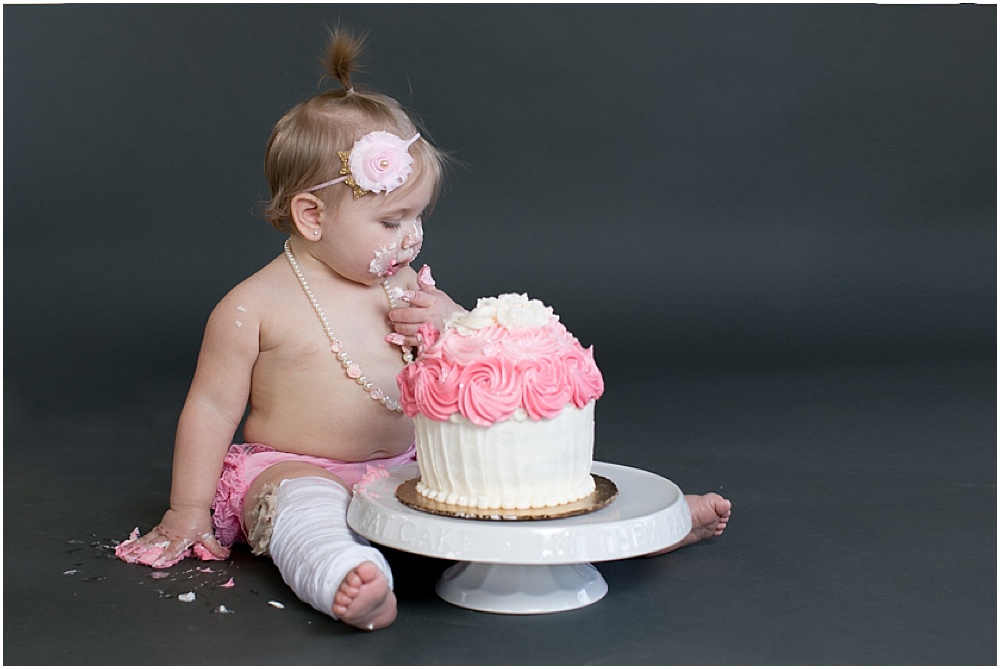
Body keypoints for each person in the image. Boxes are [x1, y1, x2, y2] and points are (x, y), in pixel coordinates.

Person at [117, 30, 731, 631]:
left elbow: (475, 362)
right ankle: (342, 574)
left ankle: (634, 535)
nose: (410, 238)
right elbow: (211, 407)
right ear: (311, 216)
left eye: (417, 218)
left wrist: (449, 323)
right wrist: (187, 510)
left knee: (499, 500)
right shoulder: (253, 305)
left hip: (415, 468)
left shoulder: (405, 284)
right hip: (297, 466)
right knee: (304, 512)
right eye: (390, 221)